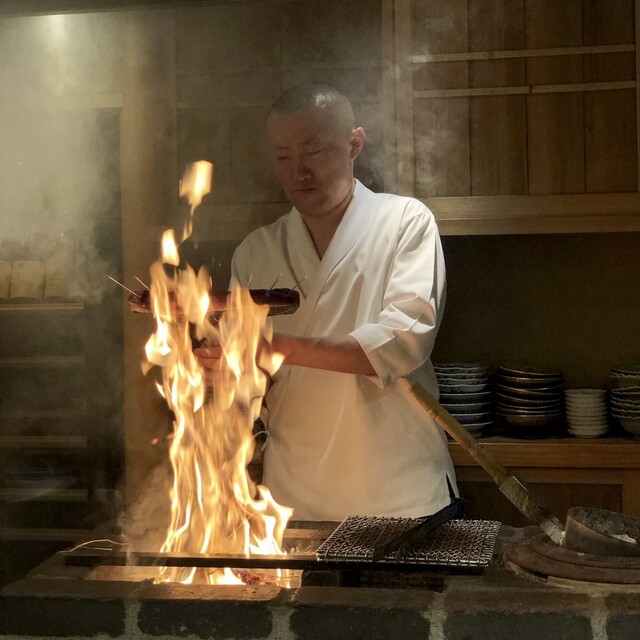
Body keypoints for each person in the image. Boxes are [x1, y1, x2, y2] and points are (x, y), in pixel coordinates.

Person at [196, 83, 457, 521]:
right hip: (293, 497)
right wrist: (223, 381)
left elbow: (403, 343)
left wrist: (274, 347)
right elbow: (247, 383)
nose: (299, 171)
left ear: (354, 144)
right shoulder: (257, 251)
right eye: (282, 157)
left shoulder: (405, 222)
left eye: (314, 151)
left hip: (400, 492)